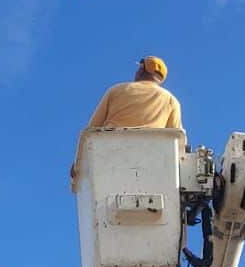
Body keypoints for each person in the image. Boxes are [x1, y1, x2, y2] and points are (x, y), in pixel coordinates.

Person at [72, 56, 182, 186]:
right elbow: (177, 142)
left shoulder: (117, 90)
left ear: (142, 70)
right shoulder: (171, 100)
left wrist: (77, 166)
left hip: (109, 159)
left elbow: (91, 130)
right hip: (151, 166)